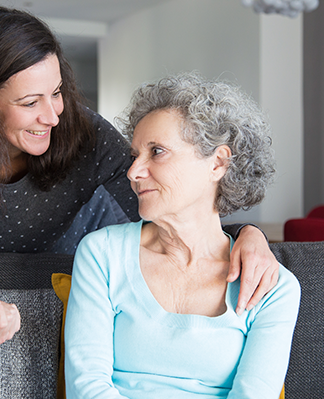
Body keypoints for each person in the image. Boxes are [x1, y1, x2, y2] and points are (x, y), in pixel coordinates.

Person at [0, 6, 279, 345]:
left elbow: (176, 213)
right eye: (30, 102)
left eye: (56, 92)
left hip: (91, 269)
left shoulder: (85, 133)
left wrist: (246, 234)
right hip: (3, 271)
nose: (53, 115)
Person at [65, 72, 301, 398]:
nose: (133, 172)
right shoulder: (101, 254)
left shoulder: (274, 289)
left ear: (217, 163)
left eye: (157, 151)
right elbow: (87, 388)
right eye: (135, 155)